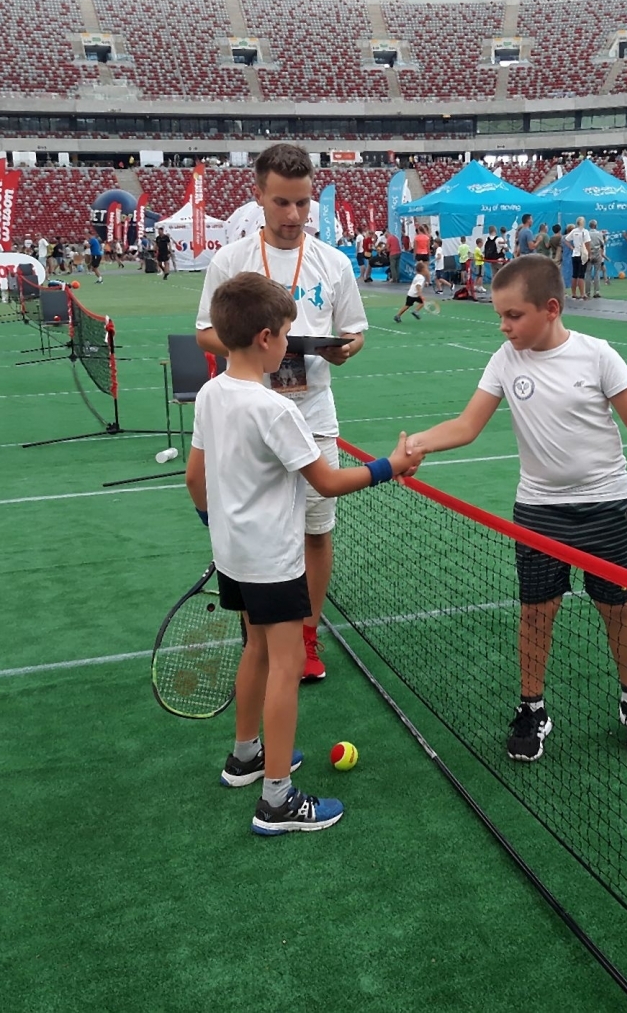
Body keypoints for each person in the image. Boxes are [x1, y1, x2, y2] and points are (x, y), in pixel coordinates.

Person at [404, 254, 627, 763]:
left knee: (618, 608)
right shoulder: (505, 360)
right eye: (500, 316)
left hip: (607, 506)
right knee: (536, 612)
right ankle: (532, 707)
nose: (504, 326)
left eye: (513, 316)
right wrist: (418, 444)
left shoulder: (599, 356)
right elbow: (467, 425)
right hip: (539, 510)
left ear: (551, 308)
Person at [185, 271, 419, 835]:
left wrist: (214, 528)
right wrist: (393, 466)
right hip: (273, 559)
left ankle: (246, 757)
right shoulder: (277, 410)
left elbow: (196, 478)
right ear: (266, 338)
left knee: (257, 652)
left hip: (235, 554)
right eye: (287, 334)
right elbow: (329, 482)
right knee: (285, 666)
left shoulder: (212, 391)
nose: (291, 345)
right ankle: (277, 799)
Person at [195, 143, 370, 683]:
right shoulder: (231, 260)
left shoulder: (334, 262)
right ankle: (260, 639)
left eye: (302, 204)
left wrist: (342, 349)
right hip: (249, 420)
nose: (293, 216)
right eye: (281, 203)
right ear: (258, 198)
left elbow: (356, 331)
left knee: (316, 532)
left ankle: (306, 635)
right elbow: (205, 330)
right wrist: (256, 349)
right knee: (257, 533)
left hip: (311, 414)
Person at [565, 217, 590, 301]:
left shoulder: (574, 231)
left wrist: (572, 248)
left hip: (575, 254)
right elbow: (587, 244)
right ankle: (582, 294)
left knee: (574, 275)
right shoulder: (585, 232)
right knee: (581, 275)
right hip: (582, 254)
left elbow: (566, 239)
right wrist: (589, 254)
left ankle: (574, 293)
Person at [585, 219, 606, 296]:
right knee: (597, 273)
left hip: (588, 254)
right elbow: (602, 244)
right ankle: (597, 291)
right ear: (595, 225)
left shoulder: (586, 233)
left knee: (588, 273)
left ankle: (587, 292)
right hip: (597, 254)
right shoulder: (599, 234)